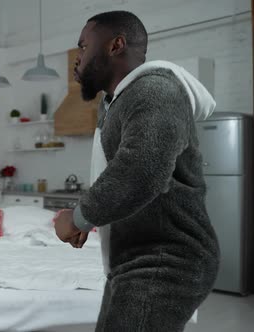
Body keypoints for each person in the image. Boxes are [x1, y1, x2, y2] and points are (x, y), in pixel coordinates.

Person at [53, 11, 220, 332]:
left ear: (116, 45)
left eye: (83, 47)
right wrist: (95, 219)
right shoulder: (117, 101)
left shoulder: (155, 92)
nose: (77, 59)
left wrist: (77, 218)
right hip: (135, 259)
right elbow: (116, 171)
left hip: (164, 262)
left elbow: (139, 172)